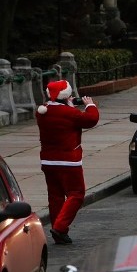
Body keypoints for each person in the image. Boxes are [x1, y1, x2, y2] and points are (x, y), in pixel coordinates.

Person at [35, 79, 99, 245]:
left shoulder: (42, 112)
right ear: (66, 96)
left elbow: (60, 117)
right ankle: (60, 227)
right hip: (69, 161)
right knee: (76, 193)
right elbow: (91, 119)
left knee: (55, 196)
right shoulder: (70, 114)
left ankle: (59, 230)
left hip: (48, 161)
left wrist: (67, 105)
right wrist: (90, 105)